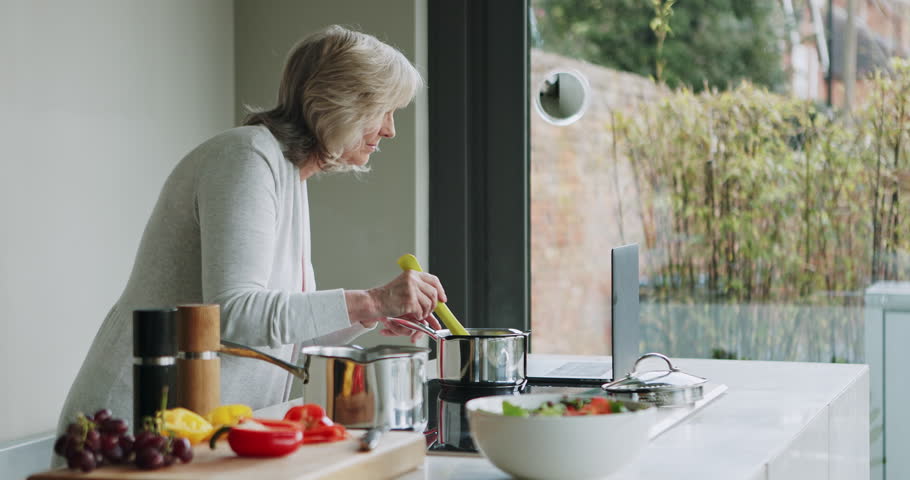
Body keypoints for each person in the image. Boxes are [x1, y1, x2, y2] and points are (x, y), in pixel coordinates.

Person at [56, 25, 444, 438]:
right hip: (132, 429)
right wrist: (370, 299)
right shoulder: (246, 158)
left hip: (190, 430)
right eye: (384, 110)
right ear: (343, 104)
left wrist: (375, 309)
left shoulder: (286, 174)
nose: (390, 129)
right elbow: (234, 314)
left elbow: (277, 330)